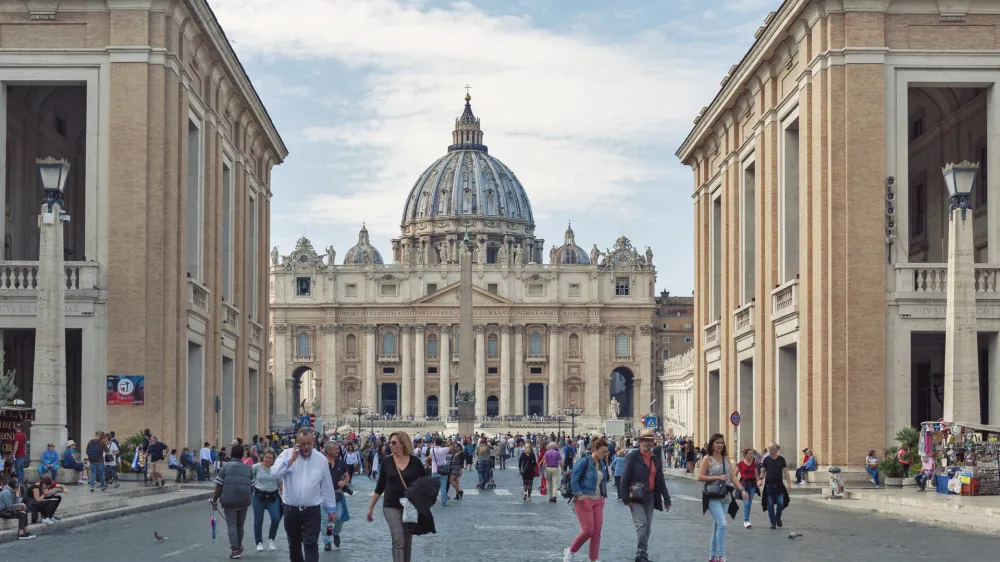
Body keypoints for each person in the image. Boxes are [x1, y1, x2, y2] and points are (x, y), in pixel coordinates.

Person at [271, 428, 338, 562]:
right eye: (302, 444)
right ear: (297, 443)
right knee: (294, 546)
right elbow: (274, 474)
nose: (306, 447)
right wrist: (290, 460)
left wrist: (331, 509)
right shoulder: (286, 455)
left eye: (309, 443)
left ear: (314, 442)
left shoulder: (321, 460)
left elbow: (327, 486)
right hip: (291, 509)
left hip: (312, 511)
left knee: (311, 544)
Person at [366, 431, 423, 562]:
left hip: (409, 506)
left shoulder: (416, 462)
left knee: (407, 541)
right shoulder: (387, 461)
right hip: (391, 506)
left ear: (403, 444)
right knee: (398, 539)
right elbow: (380, 486)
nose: (390, 445)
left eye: (393, 442)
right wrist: (371, 508)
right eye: (389, 442)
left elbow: (424, 483)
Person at [620, 429, 671, 562]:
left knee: (647, 527)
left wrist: (666, 498)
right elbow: (624, 477)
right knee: (642, 525)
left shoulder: (655, 458)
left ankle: (642, 554)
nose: (649, 443)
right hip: (636, 496)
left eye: (651, 440)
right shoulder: (633, 456)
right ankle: (640, 554)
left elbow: (660, 479)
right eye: (646, 440)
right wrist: (625, 498)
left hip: (651, 496)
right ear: (641, 441)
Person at [699, 434, 748, 562]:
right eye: (717, 443)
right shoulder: (707, 459)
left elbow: (732, 476)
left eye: (721, 443)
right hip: (712, 496)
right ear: (712, 444)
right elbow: (700, 477)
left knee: (718, 526)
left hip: (725, 496)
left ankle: (712, 556)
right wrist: (717, 477)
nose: (720, 445)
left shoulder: (726, 458)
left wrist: (741, 489)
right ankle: (721, 556)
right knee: (722, 524)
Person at [564, 437, 611, 562]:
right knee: (588, 530)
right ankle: (570, 551)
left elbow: (605, 480)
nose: (605, 454)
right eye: (603, 452)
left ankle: (593, 559)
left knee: (596, 533)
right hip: (584, 499)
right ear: (595, 449)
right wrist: (580, 496)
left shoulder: (601, 464)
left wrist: (602, 497)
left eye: (606, 452)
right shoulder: (583, 461)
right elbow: (574, 479)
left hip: (598, 500)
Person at [213, 444, 253, 559]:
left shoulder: (225, 467)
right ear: (242, 455)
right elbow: (252, 485)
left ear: (231, 454)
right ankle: (239, 547)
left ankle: (235, 549)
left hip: (229, 500)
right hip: (244, 500)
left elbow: (219, 485)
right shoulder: (248, 468)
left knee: (231, 524)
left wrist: (214, 500)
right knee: (240, 525)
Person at [322, 441, 351, 551]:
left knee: (339, 517)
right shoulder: (322, 462)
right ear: (328, 450)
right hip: (325, 495)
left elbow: (347, 476)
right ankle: (327, 541)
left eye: (338, 449)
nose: (338, 451)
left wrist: (344, 482)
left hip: (338, 494)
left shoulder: (340, 462)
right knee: (328, 520)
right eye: (335, 449)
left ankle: (335, 533)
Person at [251, 449, 282, 552]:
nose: (269, 459)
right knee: (258, 520)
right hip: (259, 496)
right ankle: (259, 542)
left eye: (271, 458)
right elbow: (249, 478)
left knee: (276, 518)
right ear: (263, 457)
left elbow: (280, 483)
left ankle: (271, 538)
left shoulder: (276, 469)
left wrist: (285, 496)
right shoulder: (256, 467)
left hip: (273, 496)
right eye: (267, 457)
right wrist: (251, 487)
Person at [758, 442, 791, 530]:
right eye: (769, 448)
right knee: (770, 505)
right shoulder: (766, 459)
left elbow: (786, 472)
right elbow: (763, 470)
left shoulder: (781, 459)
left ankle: (778, 517)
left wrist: (789, 484)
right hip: (769, 485)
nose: (770, 449)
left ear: (776, 449)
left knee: (780, 503)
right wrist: (760, 479)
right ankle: (773, 521)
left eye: (771, 448)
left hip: (779, 485)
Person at [0, 475, 34, 539]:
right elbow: (9, 506)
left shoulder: (12, 491)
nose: (20, 486)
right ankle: (20, 534)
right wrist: (21, 504)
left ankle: (26, 532)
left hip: (7, 510)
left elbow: (16, 504)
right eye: (19, 485)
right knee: (22, 512)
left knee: (24, 510)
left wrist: (17, 495)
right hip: (2, 511)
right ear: (16, 486)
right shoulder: (6, 492)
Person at [425, 437, 451, 507]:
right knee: (443, 487)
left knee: (434, 487)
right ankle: (444, 502)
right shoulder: (444, 450)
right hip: (443, 471)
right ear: (441, 443)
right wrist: (447, 443)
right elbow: (451, 447)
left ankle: (432, 500)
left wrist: (429, 466)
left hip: (434, 470)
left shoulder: (431, 450)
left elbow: (427, 458)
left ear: (435, 443)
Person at [737, 448, 759, 528]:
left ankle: (747, 520)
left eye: (752, 454)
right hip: (743, 484)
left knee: (749, 503)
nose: (751, 456)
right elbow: (735, 473)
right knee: (746, 502)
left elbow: (756, 475)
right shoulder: (740, 463)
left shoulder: (754, 464)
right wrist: (736, 484)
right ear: (745, 455)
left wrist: (759, 481)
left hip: (752, 484)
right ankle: (746, 521)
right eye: (749, 454)